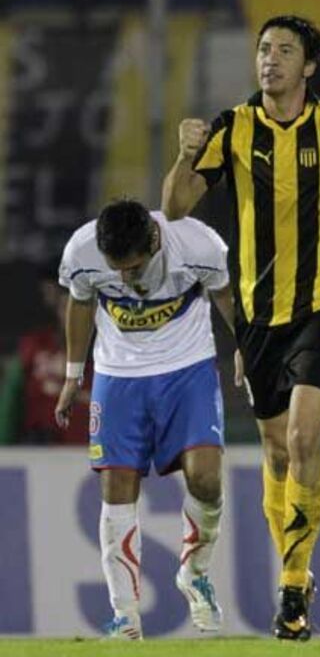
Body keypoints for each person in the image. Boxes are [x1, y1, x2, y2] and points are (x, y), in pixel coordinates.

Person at [161, 14, 320, 641]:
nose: (270, 59)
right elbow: (173, 208)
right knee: (277, 450)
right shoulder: (233, 128)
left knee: (304, 438)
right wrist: (184, 155)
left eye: (284, 51)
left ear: (308, 66)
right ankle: (293, 573)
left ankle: (294, 586)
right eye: (263, 49)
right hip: (255, 317)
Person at [55, 199, 237, 640]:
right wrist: (73, 375)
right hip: (119, 375)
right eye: (115, 269)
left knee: (207, 480)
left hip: (188, 366)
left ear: (154, 242)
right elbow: (80, 303)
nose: (123, 279)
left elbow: (226, 293)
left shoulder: (197, 244)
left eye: (133, 269)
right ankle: (125, 616)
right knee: (116, 487)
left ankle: (195, 572)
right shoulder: (82, 250)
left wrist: (247, 349)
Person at [0, 259, 92, 445]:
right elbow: (11, 402)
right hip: (39, 453)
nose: (71, 315)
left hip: (95, 453)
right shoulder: (34, 346)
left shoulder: (114, 354)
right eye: (65, 307)